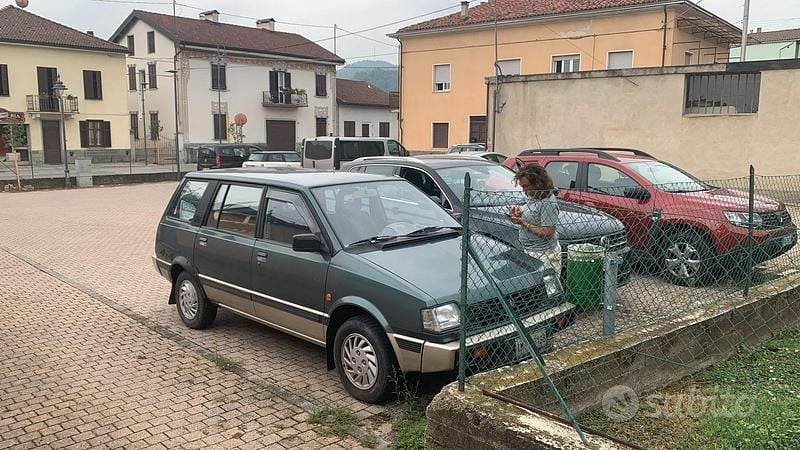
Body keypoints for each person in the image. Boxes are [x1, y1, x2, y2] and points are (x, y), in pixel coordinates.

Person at [507, 163, 561, 276]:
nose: (524, 190)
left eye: (526, 186)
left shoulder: (548, 202)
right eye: (522, 186)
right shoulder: (532, 196)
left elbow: (548, 233)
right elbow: (532, 214)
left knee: (544, 289)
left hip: (544, 254)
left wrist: (524, 223)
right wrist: (518, 214)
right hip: (529, 251)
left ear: (538, 183)